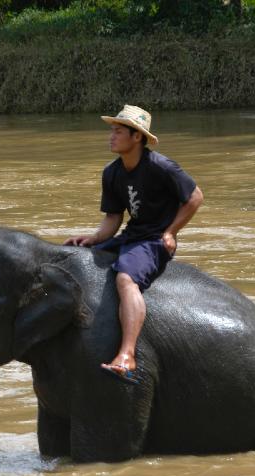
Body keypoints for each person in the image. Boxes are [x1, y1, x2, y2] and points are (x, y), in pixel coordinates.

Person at [64, 104, 204, 383]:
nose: (111, 137)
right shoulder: (112, 173)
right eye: (112, 131)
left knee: (126, 279)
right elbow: (113, 218)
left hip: (153, 240)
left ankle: (127, 355)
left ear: (137, 137)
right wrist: (93, 239)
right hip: (130, 236)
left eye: (118, 131)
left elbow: (195, 197)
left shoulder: (161, 167)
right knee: (70, 256)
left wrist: (171, 232)